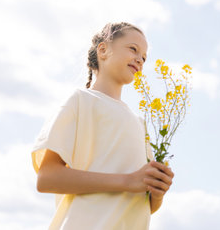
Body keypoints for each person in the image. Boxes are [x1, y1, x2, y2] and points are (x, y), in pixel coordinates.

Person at [31, 22, 174, 230]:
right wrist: (127, 181)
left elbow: (145, 201)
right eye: (133, 49)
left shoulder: (139, 123)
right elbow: (47, 178)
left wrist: (157, 191)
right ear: (103, 49)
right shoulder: (80, 101)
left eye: (144, 57)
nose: (139, 60)